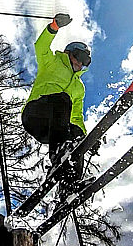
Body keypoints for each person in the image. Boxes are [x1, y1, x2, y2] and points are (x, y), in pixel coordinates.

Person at [21, 12, 93, 185]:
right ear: (70, 53)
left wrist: (84, 138)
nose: (81, 64)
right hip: (35, 114)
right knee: (62, 99)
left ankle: (70, 185)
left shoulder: (79, 87)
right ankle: (58, 154)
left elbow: (76, 116)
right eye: (80, 58)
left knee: (76, 138)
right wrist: (54, 26)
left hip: (53, 130)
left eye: (86, 62)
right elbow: (41, 47)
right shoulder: (52, 62)